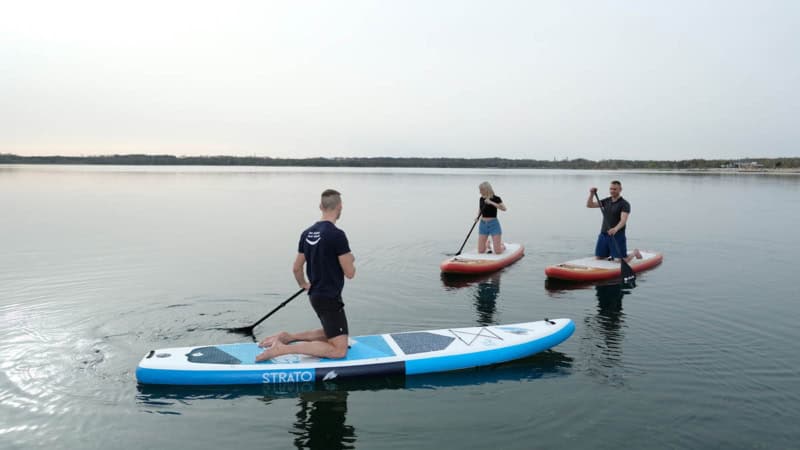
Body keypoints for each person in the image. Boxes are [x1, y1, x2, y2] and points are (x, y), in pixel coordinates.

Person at [256, 189, 356, 362]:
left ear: (320, 206)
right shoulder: (337, 235)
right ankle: (284, 349)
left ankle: (288, 337)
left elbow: (296, 268)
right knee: (339, 350)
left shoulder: (307, 232)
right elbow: (350, 273)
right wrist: (351, 259)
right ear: (340, 207)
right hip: (330, 297)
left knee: (331, 332)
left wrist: (304, 284)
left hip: (316, 295)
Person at [586, 180, 642, 262]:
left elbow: (623, 221)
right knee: (599, 258)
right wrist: (592, 194)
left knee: (620, 261)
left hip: (617, 235)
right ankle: (610, 254)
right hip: (604, 234)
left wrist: (615, 229)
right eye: (611, 189)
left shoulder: (624, 204)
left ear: (620, 189)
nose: (612, 191)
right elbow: (589, 205)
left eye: (615, 189)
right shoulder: (606, 201)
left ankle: (634, 252)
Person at [477, 181, 507, 254]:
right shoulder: (481, 199)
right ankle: (488, 245)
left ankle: (502, 246)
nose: (480, 192)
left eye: (481, 190)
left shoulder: (496, 198)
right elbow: (480, 209)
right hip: (483, 225)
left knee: (498, 252)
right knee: (480, 251)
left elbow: (504, 209)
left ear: (486, 190)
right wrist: (477, 217)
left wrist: (491, 202)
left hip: (494, 225)